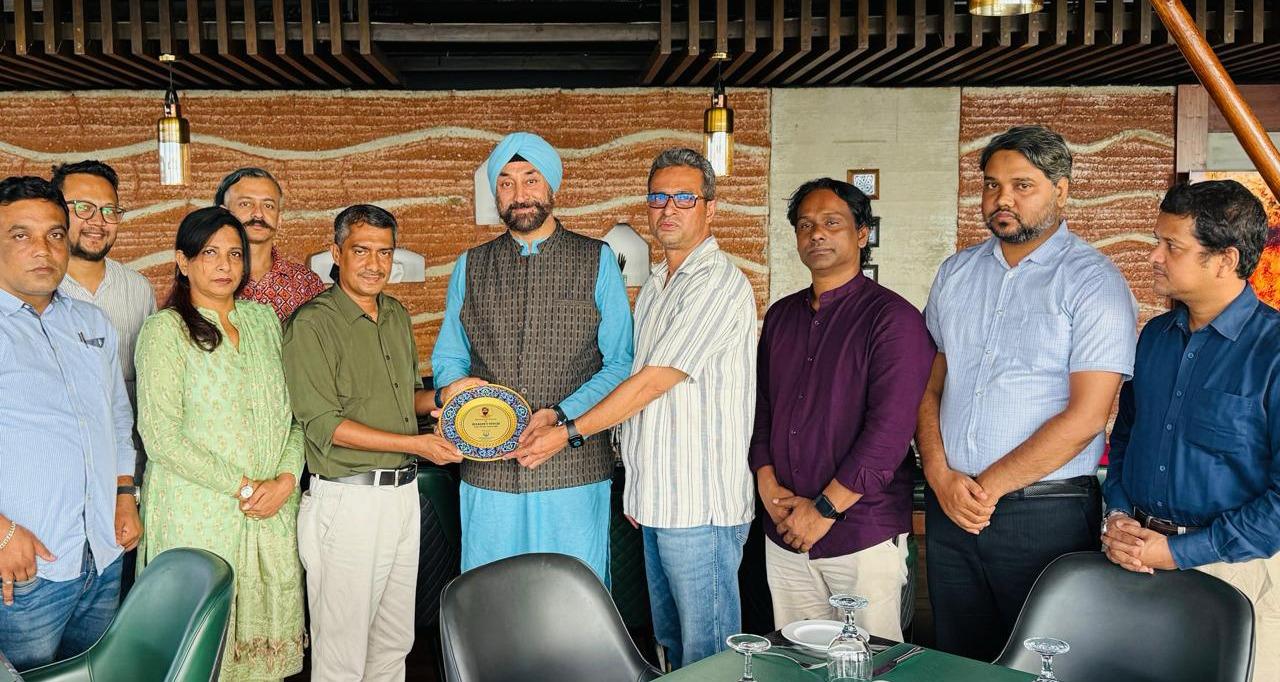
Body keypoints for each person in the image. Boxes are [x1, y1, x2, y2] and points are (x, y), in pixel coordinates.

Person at [517, 148, 755, 668]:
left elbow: (651, 384)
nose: (668, 209)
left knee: (709, 655)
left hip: (700, 507)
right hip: (658, 502)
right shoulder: (657, 286)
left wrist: (571, 431)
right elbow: (632, 383)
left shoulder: (716, 282)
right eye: (657, 197)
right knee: (669, 644)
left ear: (710, 208)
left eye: (683, 197)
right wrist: (636, 481)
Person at [917, 125, 1138, 660]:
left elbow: (1087, 417)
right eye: (991, 185)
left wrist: (984, 488)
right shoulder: (956, 272)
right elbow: (929, 385)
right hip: (951, 507)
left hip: (1046, 514)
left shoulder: (1092, 281)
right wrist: (939, 474)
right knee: (959, 661)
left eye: (1022, 185)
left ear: (1062, 190)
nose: (1002, 200)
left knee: (1043, 664)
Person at [431, 131, 633, 582]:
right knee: (492, 597)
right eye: (505, 183)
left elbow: (620, 362)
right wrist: (454, 387)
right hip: (488, 470)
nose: (519, 194)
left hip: (573, 468)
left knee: (572, 601)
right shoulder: (471, 264)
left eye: (530, 179)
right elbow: (448, 357)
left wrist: (561, 416)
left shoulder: (596, 259)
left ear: (552, 187)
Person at [1102, 180, 1280, 682]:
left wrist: (1180, 552)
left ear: (1224, 259)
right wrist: (1117, 513)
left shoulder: (1273, 352)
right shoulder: (1156, 337)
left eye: (1171, 246)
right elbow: (1125, 438)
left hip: (1234, 571)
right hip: (1135, 559)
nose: (1154, 256)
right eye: (1157, 241)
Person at [750, 178, 934, 640]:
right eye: (806, 225)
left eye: (832, 223)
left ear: (862, 233)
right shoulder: (781, 316)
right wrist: (767, 484)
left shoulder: (893, 320)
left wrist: (824, 510)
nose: (817, 234)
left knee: (866, 664)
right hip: (786, 530)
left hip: (860, 535)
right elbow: (763, 408)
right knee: (797, 663)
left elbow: (889, 433)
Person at [284, 204, 462, 681]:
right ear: (335, 252)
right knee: (342, 652)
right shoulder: (311, 324)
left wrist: (449, 397)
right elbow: (324, 424)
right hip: (348, 501)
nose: (374, 263)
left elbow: (406, 398)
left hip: (403, 497)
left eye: (385, 252)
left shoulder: (396, 314)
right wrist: (419, 446)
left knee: (393, 642)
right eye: (361, 250)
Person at [134, 206, 304, 680]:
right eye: (209, 253)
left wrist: (287, 480)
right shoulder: (165, 331)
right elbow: (161, 437)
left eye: (235, 254)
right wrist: (248, 487)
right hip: (198, 513)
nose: (225, 265)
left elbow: (295, 417)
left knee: (259, 661)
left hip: (270, 512)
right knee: (200, 652)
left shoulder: (264, 320)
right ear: (183, 261)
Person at [0, 176, 139, 671]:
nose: (43, 249)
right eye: (21, 235)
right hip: (25, 566)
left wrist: (125, 495)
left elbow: (117, 421)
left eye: (56, 234)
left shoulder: (91, 322)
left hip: (101, 554)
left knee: (93, 673)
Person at [215, 167, 325, 322]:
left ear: (279, 219)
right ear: (223, 215)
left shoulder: (305, 282)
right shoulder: (209, 277)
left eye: (268, 205)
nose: (258, 214)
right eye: (246, 204)